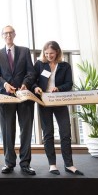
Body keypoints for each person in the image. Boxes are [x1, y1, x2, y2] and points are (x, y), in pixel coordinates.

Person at [33, 41, 84, 175]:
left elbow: (69, 83)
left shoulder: (65, 65)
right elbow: (32, 80)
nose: (49, 56)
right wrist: (35, 87)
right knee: (48, 133)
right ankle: (52, 164)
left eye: (52, 53)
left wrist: (59, 88)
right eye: (46, 53)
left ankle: (69, 164)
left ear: (57, 53)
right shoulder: (39, 64)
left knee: (65, 132)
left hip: (60, 101)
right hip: (44, 102)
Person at [0, 25, 36, 175]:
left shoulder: (24, 51)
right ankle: (9, 163)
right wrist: (5, 84)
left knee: (26, 130)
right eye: (5, 33)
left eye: (10, 33)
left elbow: (31, 71)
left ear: (15, 34)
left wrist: (25, 84)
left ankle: (25, 163)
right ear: (2, 36)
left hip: (24, 96)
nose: (8, 35)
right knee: (7, 131)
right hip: (6, 97)